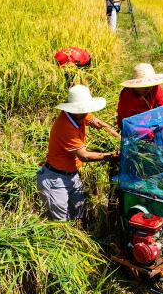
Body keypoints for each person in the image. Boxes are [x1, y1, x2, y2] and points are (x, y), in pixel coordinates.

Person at [37, 85, 120, 221]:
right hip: (55, 179)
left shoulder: (80, 114)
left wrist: (118, 138)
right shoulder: (65, 127)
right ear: (72, 109)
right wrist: (110, 156)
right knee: (61, 222)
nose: (85, 113)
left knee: (79, 214)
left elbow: (99, 123)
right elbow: (84, 156)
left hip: (72, 175)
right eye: (81, 110)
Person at [116, 63, 163, 129]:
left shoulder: (155, 88)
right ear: (135, 85)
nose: (148, 89)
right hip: (135, 129)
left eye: (150, 85)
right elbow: (127, 125)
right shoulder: (127, 99)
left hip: (151, 122)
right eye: (144, 85)